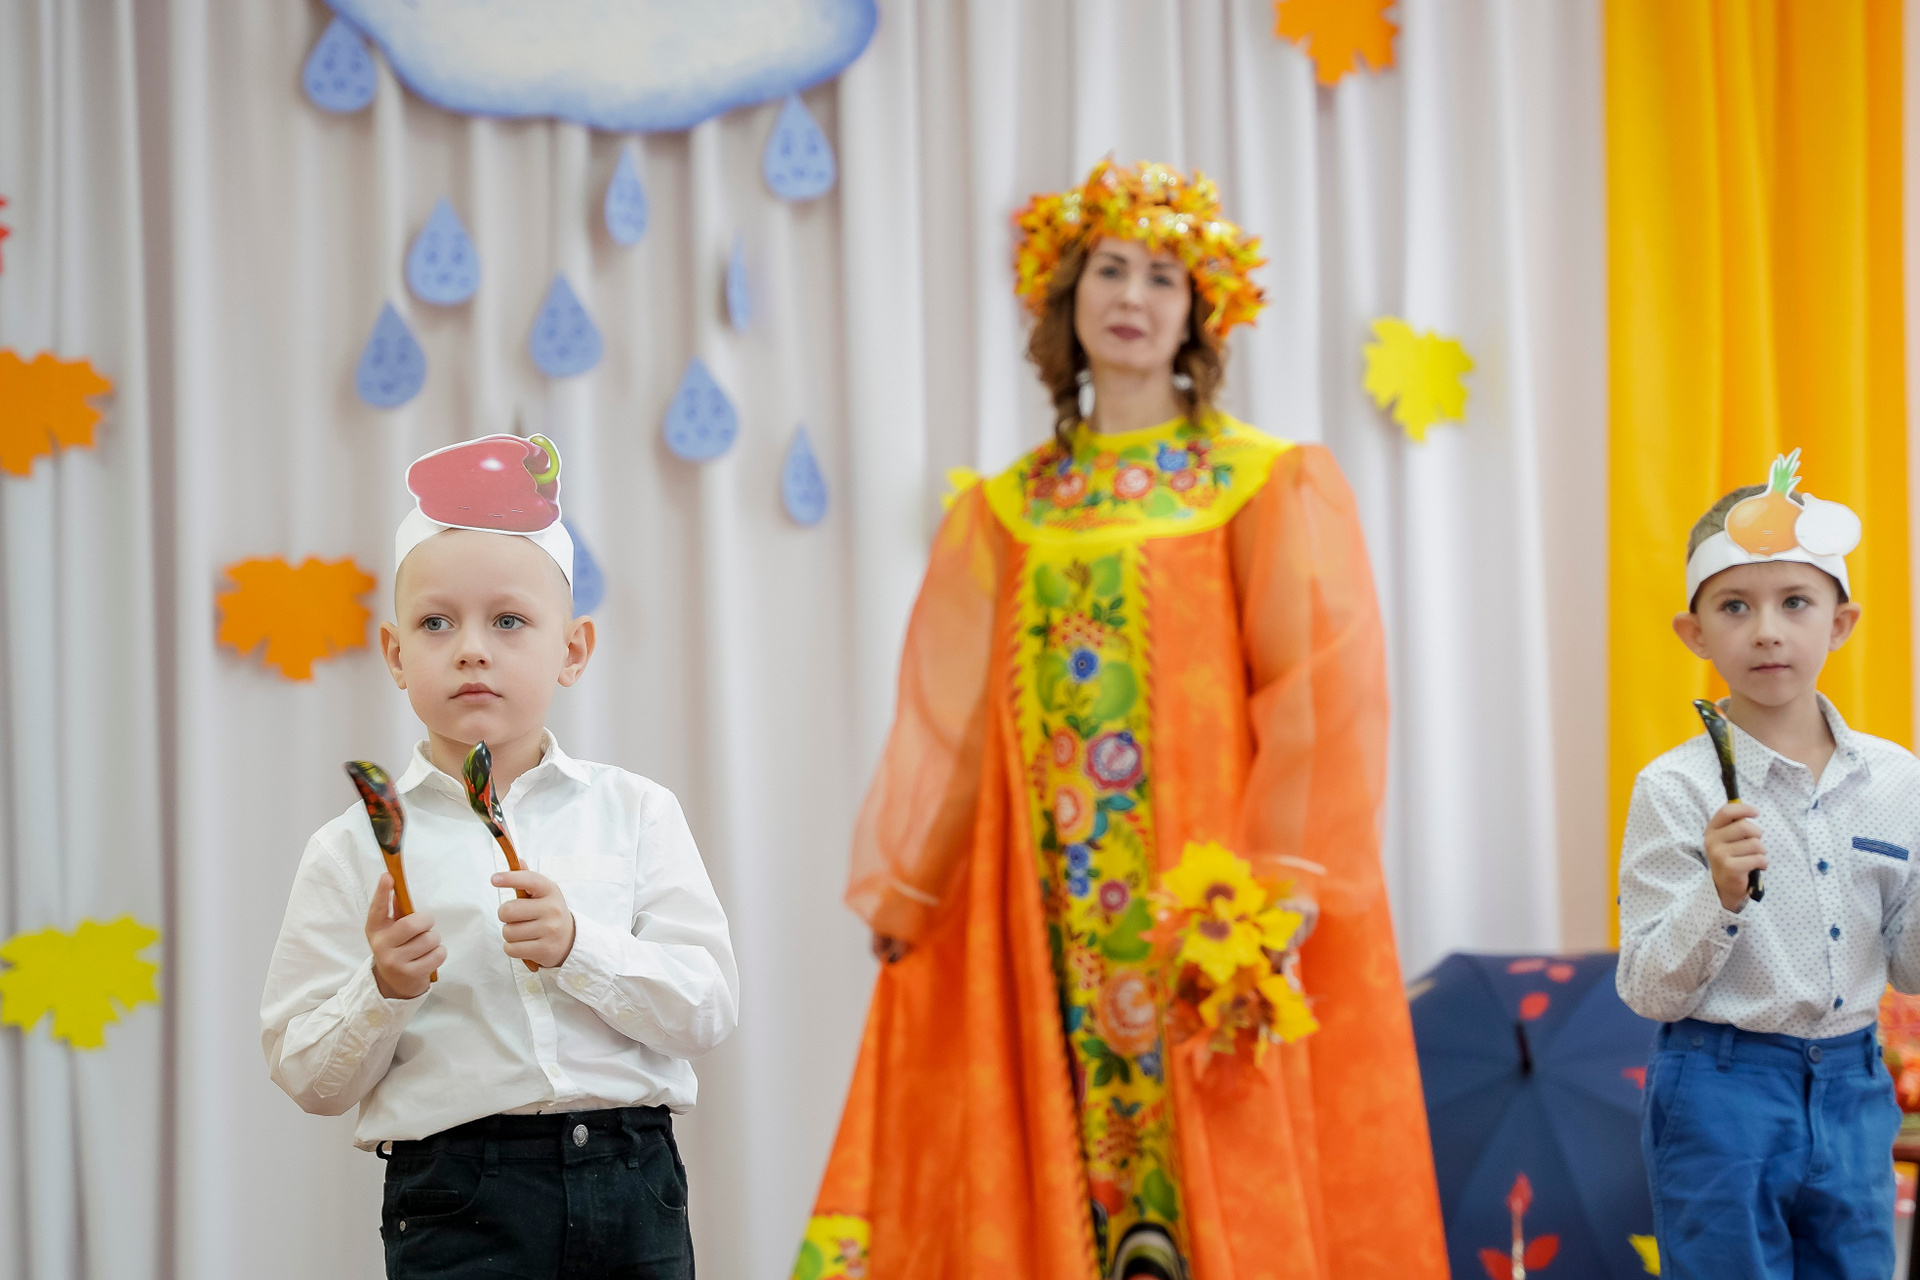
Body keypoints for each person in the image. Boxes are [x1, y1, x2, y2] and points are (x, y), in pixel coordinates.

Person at [792, 160, 1447, 1280]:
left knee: (1215, 1152)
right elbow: (958, 725)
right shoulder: (1009, 507)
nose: (1132, 296)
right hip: (1042, 900)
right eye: (1108, 269)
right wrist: (918, 883)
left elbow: (1312, 691)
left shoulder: (1258, 480)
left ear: (1199, 314)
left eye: (1161, 275)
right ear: (1067, 298)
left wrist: (1283, 881)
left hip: (1205, 902)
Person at [260, 433, 738, 1279]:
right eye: (435, 622)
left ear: (573, 650)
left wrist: (579, 947)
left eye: (508, 620)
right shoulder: (351, 847)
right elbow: (309, 1078)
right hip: (455, 1197)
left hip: (634, 1182)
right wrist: (383, 988)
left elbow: (706, 1012)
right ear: (396, 655)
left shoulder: (637, 813)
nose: (472, 647)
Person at [1617, 450, 1916, 1279]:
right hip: (1720, 1091)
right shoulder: (1674, 788)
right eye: (1735, 607)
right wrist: (1717, 894)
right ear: (1695, 633)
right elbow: (1647, 990)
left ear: (1841, 622)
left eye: (1795, 602)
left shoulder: (1897, 780)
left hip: (1855, 1084)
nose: (1767, 630)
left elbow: (1911, 967)